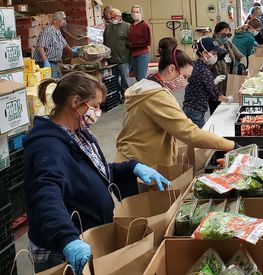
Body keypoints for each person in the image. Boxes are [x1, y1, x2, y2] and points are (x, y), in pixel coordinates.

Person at [24, 72, 169, 274]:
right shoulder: (47, 147)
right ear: (76, 102)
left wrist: (132, 167)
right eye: (96, 105)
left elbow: (93, 172)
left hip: (90, 235)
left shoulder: (78, 134)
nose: (98, 111)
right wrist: (68, 239)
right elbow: (46, 196)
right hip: (63, 248)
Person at [115, 37, 235, 167]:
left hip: (132, 158)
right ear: (172, 69)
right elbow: (190, 133)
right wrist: (230, 145)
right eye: (185, 77)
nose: (186, 82)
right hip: (139, 164)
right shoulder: (158, 97)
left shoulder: (145, 85)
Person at [183, 37, 234, 128]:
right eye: (214, 53)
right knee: (202, 139)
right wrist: (227, 100)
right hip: (195, 110)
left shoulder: (196, 65)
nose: (215, 56)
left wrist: (212, 82)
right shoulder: (204, 71)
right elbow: (214, 94)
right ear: (204, 53)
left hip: (190, 107)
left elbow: (199, 84)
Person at [210, 22, 246, 114]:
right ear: (216, 34)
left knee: (228, 113)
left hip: (230, 84)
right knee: (216, 114)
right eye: (223, 35)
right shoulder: (209, 47)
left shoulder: (228, 45)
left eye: (228, 35)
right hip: (216, 87)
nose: (226, 37)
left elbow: (242, 57)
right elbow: (205, 64)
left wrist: (242, 65)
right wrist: (217, 59)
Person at [33, 11, 79, 78]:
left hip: (55, 63)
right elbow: (40, 47)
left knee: (57, 82)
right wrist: (45, 61)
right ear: (56, 21)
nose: (63, 22)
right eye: (62, 20)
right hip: (46, 63)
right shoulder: (48, 31)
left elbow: (63, 43)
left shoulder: (57, 30)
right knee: (51, 84)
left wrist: (72, 50)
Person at [103, 8, 131, 94]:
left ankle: (126, 96)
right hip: (111, 59)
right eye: (110, 18)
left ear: (119, 17)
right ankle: (118, 95)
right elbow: (105, 41)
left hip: (123, 59)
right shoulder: (108, 27)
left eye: (113, 17)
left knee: (125, 79)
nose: (111, 19)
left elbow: (131, 42)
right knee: (113, 80)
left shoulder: (127, 26)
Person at [128, 5, 151, 81]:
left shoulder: (144, 25)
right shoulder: (131, 26)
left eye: (137, 12)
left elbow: (148, 42)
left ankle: (145, 92)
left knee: (141, 78)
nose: (135, 14)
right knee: (137, 78)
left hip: (142, 54)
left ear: (141, 13)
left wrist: (133, 45)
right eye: (133, 12)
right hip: (133, 55)